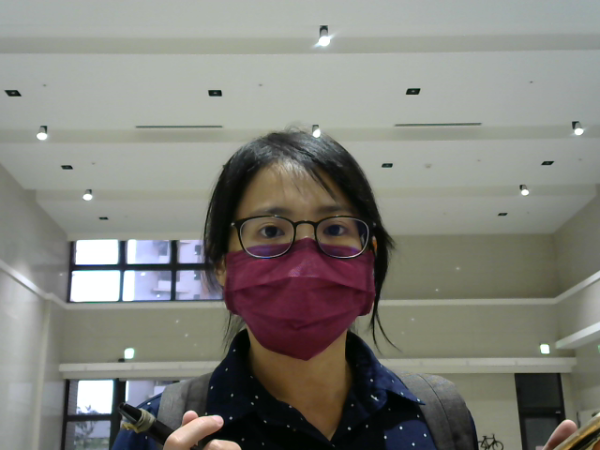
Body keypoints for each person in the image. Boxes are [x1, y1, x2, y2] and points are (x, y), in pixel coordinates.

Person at [113, 131, 596, 450]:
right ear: (222, 264)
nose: (305, 261)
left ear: (370, 259)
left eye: (336, 228)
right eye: (270, 230)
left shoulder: (441, 415)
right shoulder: (158, 430)